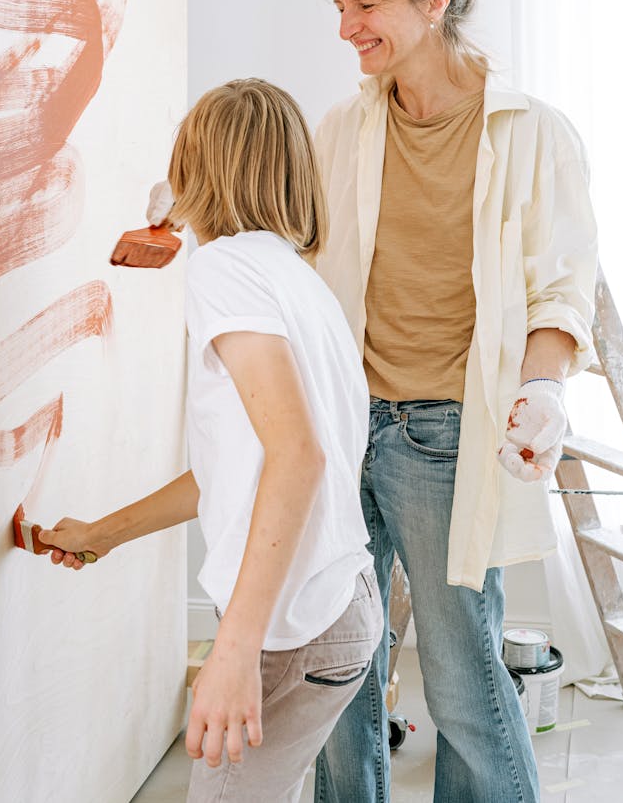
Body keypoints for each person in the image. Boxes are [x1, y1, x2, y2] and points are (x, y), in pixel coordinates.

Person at [310, 0, 598, 803]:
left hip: (446, 434)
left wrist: (544, 389)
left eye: (368, 5)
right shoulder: (346, 129)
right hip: (342, 418)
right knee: (334, 670)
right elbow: (293, 247)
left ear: (434, 3)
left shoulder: (530, 132)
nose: (349, 26)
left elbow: (560, 287)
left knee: (463, 681)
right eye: (341, 7)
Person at [39, 79, 383, 803]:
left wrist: (234, 649)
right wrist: (104, 532)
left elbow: (298, 457)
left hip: (294, 625)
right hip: (340, 603)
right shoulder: (301, 285)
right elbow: (233, 471)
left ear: (199, 169)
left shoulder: (223, 269)